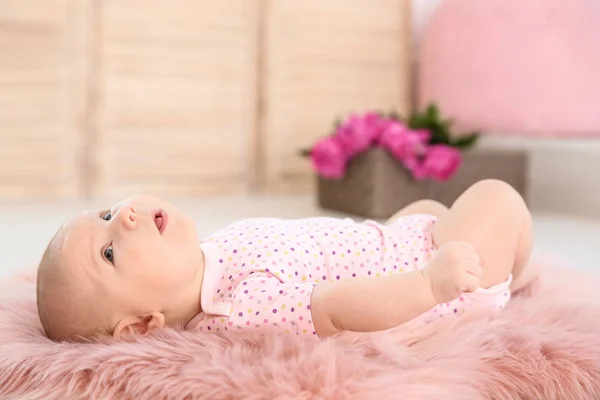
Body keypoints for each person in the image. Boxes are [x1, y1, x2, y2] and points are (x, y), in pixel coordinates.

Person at [36, 179, 537, 342]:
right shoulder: (242, 308)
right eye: (108, 253)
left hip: (396, 240)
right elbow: (339, 309)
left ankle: (500, 259)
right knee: (496, 198)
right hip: (433, 279)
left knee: (427, 209)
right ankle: (517, 274)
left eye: (105, 212)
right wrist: (429, 284)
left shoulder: (203, 260)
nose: (123, 216)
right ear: (144, 325)